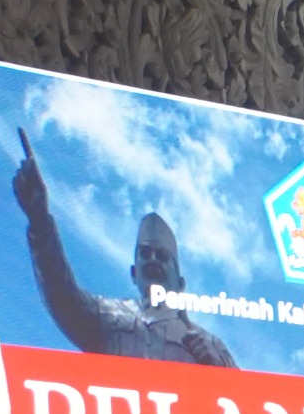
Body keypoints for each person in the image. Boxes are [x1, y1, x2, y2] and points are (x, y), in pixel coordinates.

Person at [12, 137, 234, 366]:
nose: (153, 260)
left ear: (180, 283)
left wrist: (220, 371)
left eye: (162, 256)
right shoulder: (107, 315)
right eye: (145, 254)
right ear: (133, 272)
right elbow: (62, 296)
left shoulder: (209, 343)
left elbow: (246, 397)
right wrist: (40, 223)